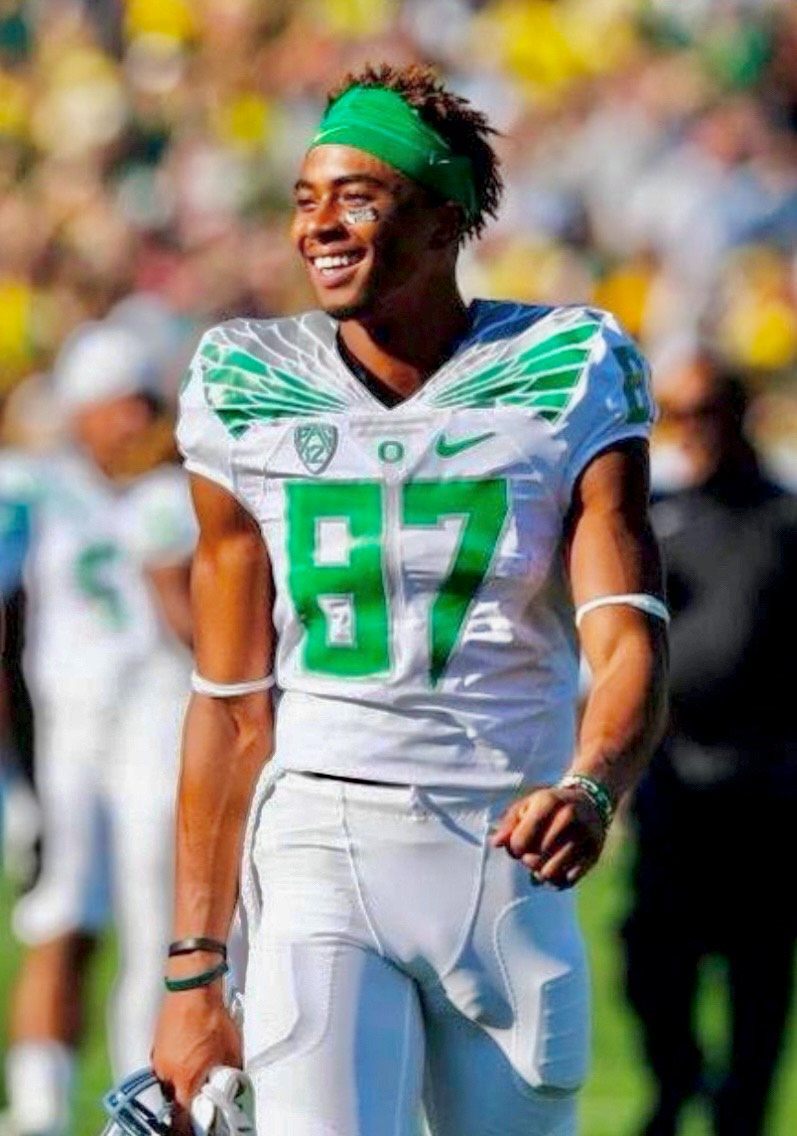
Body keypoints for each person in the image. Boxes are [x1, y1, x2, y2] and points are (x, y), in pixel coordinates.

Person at [152, 63, 668, 1136]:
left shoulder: (562, 366)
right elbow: (229, 702)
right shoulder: (246, 381)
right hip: (318, 839)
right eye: (306, 198)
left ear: (442, 220)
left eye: (358, 197)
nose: (318, 225)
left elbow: (627, 639)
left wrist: (591, 784)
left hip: (505, 843)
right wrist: (195, 970)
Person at [2, 321, 196, 1136]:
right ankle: (38, 1109)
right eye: (122, 405)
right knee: (63, 916)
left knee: (164, 924)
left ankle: (142, 1102)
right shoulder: (30, 490)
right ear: (81, 411)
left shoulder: (178, 492)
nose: (137, 421)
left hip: (161, 724)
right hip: (69, 734)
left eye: (147, 403)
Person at [623, 353, 797, 1136]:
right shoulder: (656, 514)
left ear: (736, 413)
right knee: (653, 959)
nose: (691, 430)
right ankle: (673, 1084)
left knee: (758, 969)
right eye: (677, 415)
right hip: (670, 783)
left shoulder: (782, 519)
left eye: (703, 411)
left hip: (766, 784)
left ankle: (742, 1115)